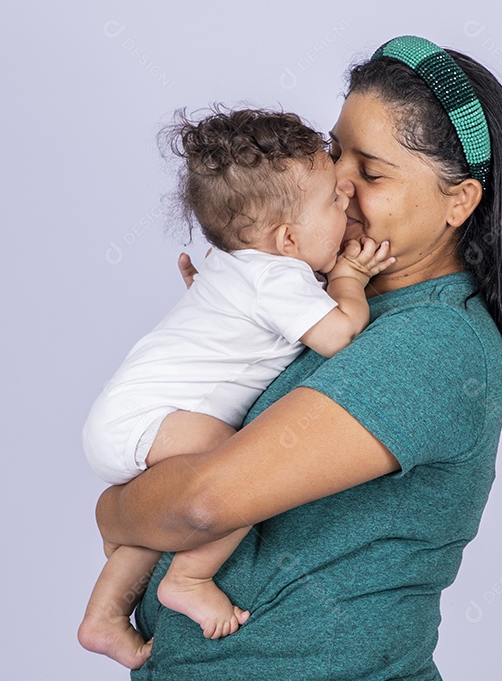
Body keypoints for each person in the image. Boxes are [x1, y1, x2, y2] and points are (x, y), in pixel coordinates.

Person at [95, 35, 502, 680]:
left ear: (458, 201)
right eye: (337, 152)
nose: (338, 184)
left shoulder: (432, 343)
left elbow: (200, 504)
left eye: (372, 173)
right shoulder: (320, 300)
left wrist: (114, 509)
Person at [78, 107, 394, 669]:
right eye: (333, 200)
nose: (346, 195)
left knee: (172, 509)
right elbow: (341, 335)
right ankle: (189, 578)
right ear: (288, 237)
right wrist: (350, 278)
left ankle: (103, 617)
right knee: (245, 473)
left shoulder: (239, 263)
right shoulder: (278, 278)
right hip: (151, 417)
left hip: (125, 417)